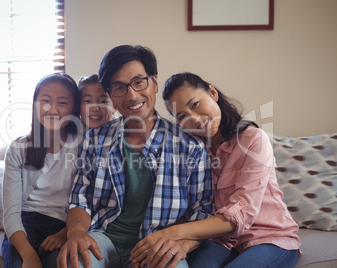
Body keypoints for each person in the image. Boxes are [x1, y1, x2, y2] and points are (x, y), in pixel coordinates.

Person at [56, 45, 214, 268]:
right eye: (119, 88)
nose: (132, 95)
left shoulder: (190, 146)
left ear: (155, 82)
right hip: (103, 237)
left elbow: (203, 210)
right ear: (110, 94)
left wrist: (182, 243)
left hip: (156, 243)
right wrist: (76, 233)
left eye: (139, 82)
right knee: (74, 262)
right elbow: (81, 198)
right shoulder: (96, 138)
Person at [131, 72, 300, 268]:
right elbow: (193, 210)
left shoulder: (253, 139)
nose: (194, 119)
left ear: (212, 92)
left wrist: (168, 234)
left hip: (268, 237)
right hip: (217, 240)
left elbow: (238, 215)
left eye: (194, 104)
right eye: (183, 116)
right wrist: (183, 244)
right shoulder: (190, 151)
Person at [2, 73, 83, 268]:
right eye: (45, 101)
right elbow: (11, 213)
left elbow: (92, 202)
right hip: (27, 224)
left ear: (74, 107)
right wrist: (28, 255)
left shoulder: (84, 144)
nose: (52, 109)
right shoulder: (18, 148)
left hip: (68, 225)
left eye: (62, 102)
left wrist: (65, 233)